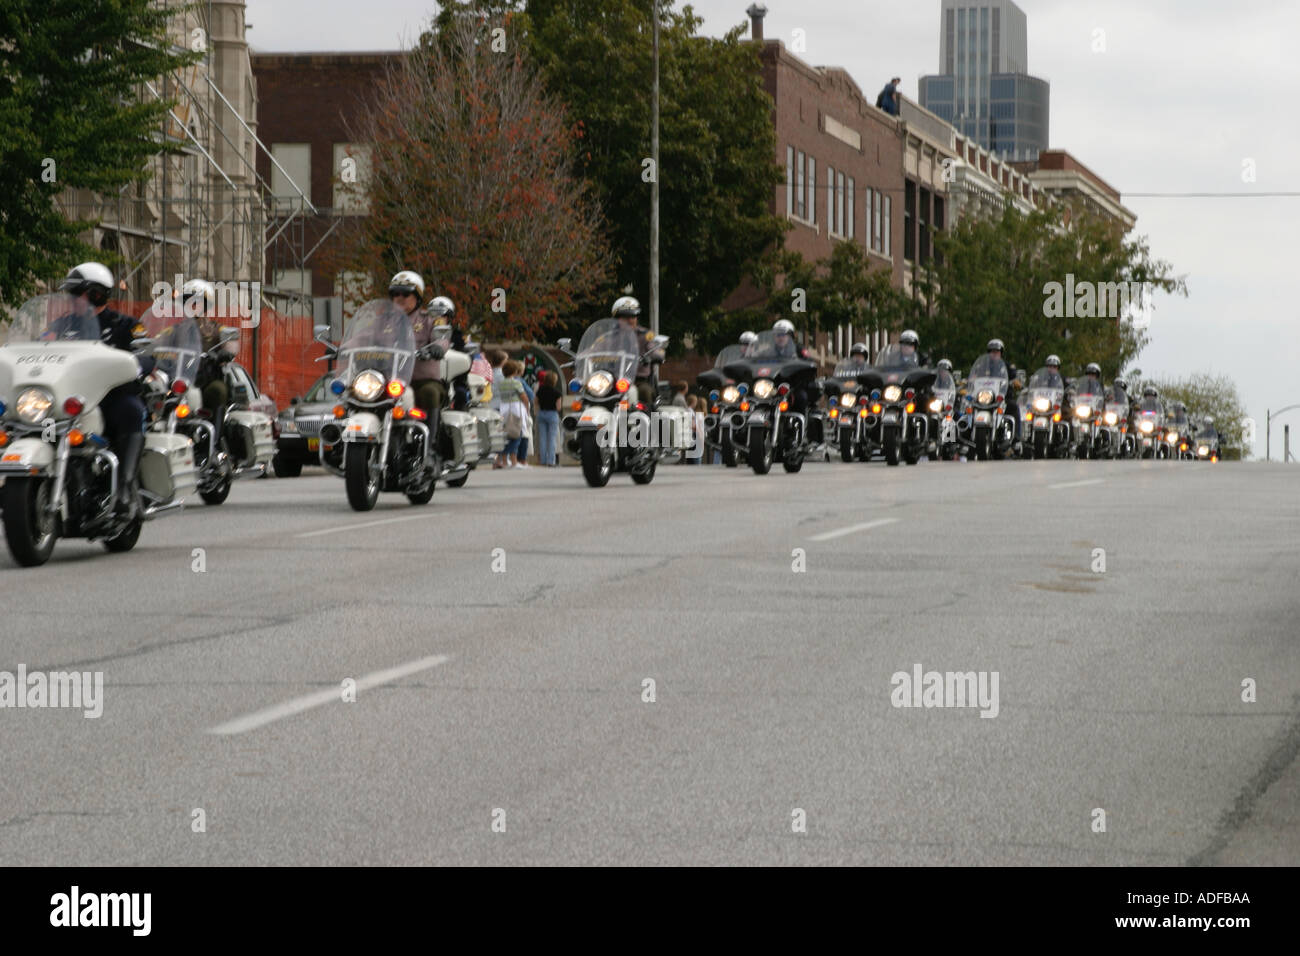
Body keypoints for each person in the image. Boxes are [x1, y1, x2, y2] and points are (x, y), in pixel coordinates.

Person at [58, 263, 151, 519]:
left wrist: (135, 364)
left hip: (112, 399)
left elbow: (146, 356)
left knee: (132, 410)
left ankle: (124, 489)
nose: (71, 300)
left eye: (77, 293)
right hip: (71, 400)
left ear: (97, 294)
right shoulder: (62, 327)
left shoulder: (125, 326)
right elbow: (40, 348)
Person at [181, 279, 237, 443]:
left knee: (218, 390)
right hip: (179, 380)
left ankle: (215, 439)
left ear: (205, 305)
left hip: (205, 382)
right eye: (187, 301)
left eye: (196, 301)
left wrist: (225, 353)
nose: (191, 305)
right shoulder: (175, 329)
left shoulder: (215, 329)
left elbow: (231, 345)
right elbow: (159, 342)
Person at [610, 295, 661, 406]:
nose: (630, 320)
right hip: (612, 379)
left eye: (633, 316)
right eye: (625, 317)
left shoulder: (646, 335)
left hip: (638, 379)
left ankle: (650, 421)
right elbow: (595, 348)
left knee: (646, 392)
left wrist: (654, 355)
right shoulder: (609, 336)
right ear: (617, 319)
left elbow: (654, 349)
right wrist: (579, 356)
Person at [495, 360, 530, 468]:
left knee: (507, 435)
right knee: (517, 435)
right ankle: (514, 461)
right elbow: (524, 397)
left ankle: (505, 461)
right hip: (515, 409)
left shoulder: (501, 383)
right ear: (515, 371)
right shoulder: (516, 382)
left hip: (504, 408)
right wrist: (527, 409)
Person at [535, 370, 561, 466]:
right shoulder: (557, 392)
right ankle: (551, 461)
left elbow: (536, 401)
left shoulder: (540, 390)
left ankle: (543, 461)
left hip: (541, 413)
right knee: (552, 438)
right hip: (552, 414)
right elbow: (558, 407)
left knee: (542, 438)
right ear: (554, 380)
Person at [684, 395, 705, 465]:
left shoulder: (687, 410)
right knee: (696, 455)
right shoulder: (690, 411)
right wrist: (700, 435)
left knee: (690, 455)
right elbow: (693, 425)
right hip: (693, 435)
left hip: (690, 435)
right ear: (693, 402)